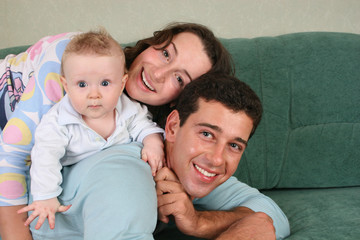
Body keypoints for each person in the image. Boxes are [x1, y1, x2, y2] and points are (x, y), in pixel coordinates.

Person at [0, 22, 289, 240]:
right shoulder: (79, 61)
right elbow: (12, 157)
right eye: (165, 54)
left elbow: (269, 215)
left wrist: (198, 221)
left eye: (179, 77)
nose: (157, 74)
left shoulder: (152, 133)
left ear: (180, 102)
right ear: (151, 43)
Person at [17, 29, 165, 231]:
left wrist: (152, 141)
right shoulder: (58, 121)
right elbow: (45, 158)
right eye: (82, 84)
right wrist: (46, 196)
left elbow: (143, 124)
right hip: (66, 184)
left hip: (112, 187)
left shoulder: (126, 108)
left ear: (121, 84)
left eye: (105, 83)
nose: (93, 94)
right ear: (66, 86)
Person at [154, 73, 290, 239]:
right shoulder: (137, 164)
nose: (216, 159)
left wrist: (198, 221)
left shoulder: (194, 173)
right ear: (173, 127)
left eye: (234, 145)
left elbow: (272, 218)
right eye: (206, 134)